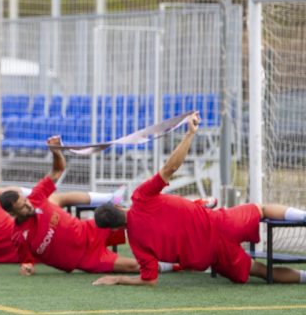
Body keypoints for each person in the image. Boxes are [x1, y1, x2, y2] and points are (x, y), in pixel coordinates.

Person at [92, 112, 306, 286]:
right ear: (118, 205)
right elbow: (171, 168)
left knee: (260, 271)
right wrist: (190, 134)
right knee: (262, 210)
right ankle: (303, 216)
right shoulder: (140, 197)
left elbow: (150, 280)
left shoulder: (136, 244)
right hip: (222, 223)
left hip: (212, 255)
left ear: (113, 229)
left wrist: (118, 279)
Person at [0, 135, 156, 276]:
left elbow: (58, 170)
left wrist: (56, 152)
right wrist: (27, 267)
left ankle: (172, 240)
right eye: (23, 207)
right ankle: (174, 264)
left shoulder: (36, 197)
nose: (29, 205)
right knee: (136, 266)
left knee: (138, 223)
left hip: (91, 230)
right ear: (13, 213)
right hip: (87, 259)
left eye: (25, 201)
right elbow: (27, 262)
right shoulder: (19, 237)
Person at [0, 179, 122, 266]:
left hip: (27, 250)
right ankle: (111, 200)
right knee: (58, 200)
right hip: (30, 235)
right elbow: (9, 193)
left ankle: (112, 210)